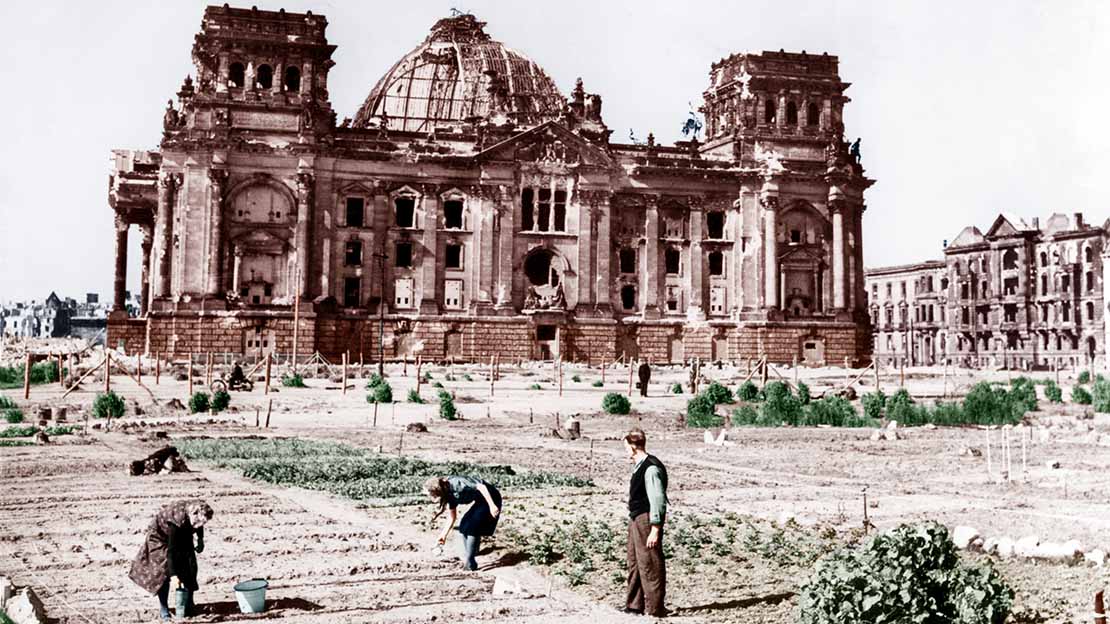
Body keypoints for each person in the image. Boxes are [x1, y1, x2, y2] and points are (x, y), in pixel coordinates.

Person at [129, 500, 213, 620]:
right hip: (160, 537)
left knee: (190, 565)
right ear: (192, 514)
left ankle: (188, 602)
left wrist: (200, 539)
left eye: (202, 523)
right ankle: (164, 608)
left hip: (183, 529)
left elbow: (199, 524)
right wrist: (174, 576)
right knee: (163, 569)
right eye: (197, 522)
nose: (199, 525)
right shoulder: (177, 520)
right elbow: (172, 551)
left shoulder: (197, 513)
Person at [623, 428, 668, 617]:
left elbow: (658, 499)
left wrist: (655, 529)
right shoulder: (639, 465)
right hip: (636, 517)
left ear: (633, 446)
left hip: (646, 519)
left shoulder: (651, 468)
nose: (625, 450)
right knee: (634, 561)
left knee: (650, 563)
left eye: (626, 446)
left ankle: (655, 609)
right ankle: (634, 605)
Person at [425, 476, 502, 571]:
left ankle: (470, 561)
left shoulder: (457, 484)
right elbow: (452, 517)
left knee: (472, 527)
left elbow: (481, 487)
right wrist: (443, 536)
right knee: (464, 525)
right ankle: (471, 554)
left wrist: (492, 506)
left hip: (491, 497)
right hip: (480, 500)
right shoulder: (449, 494)